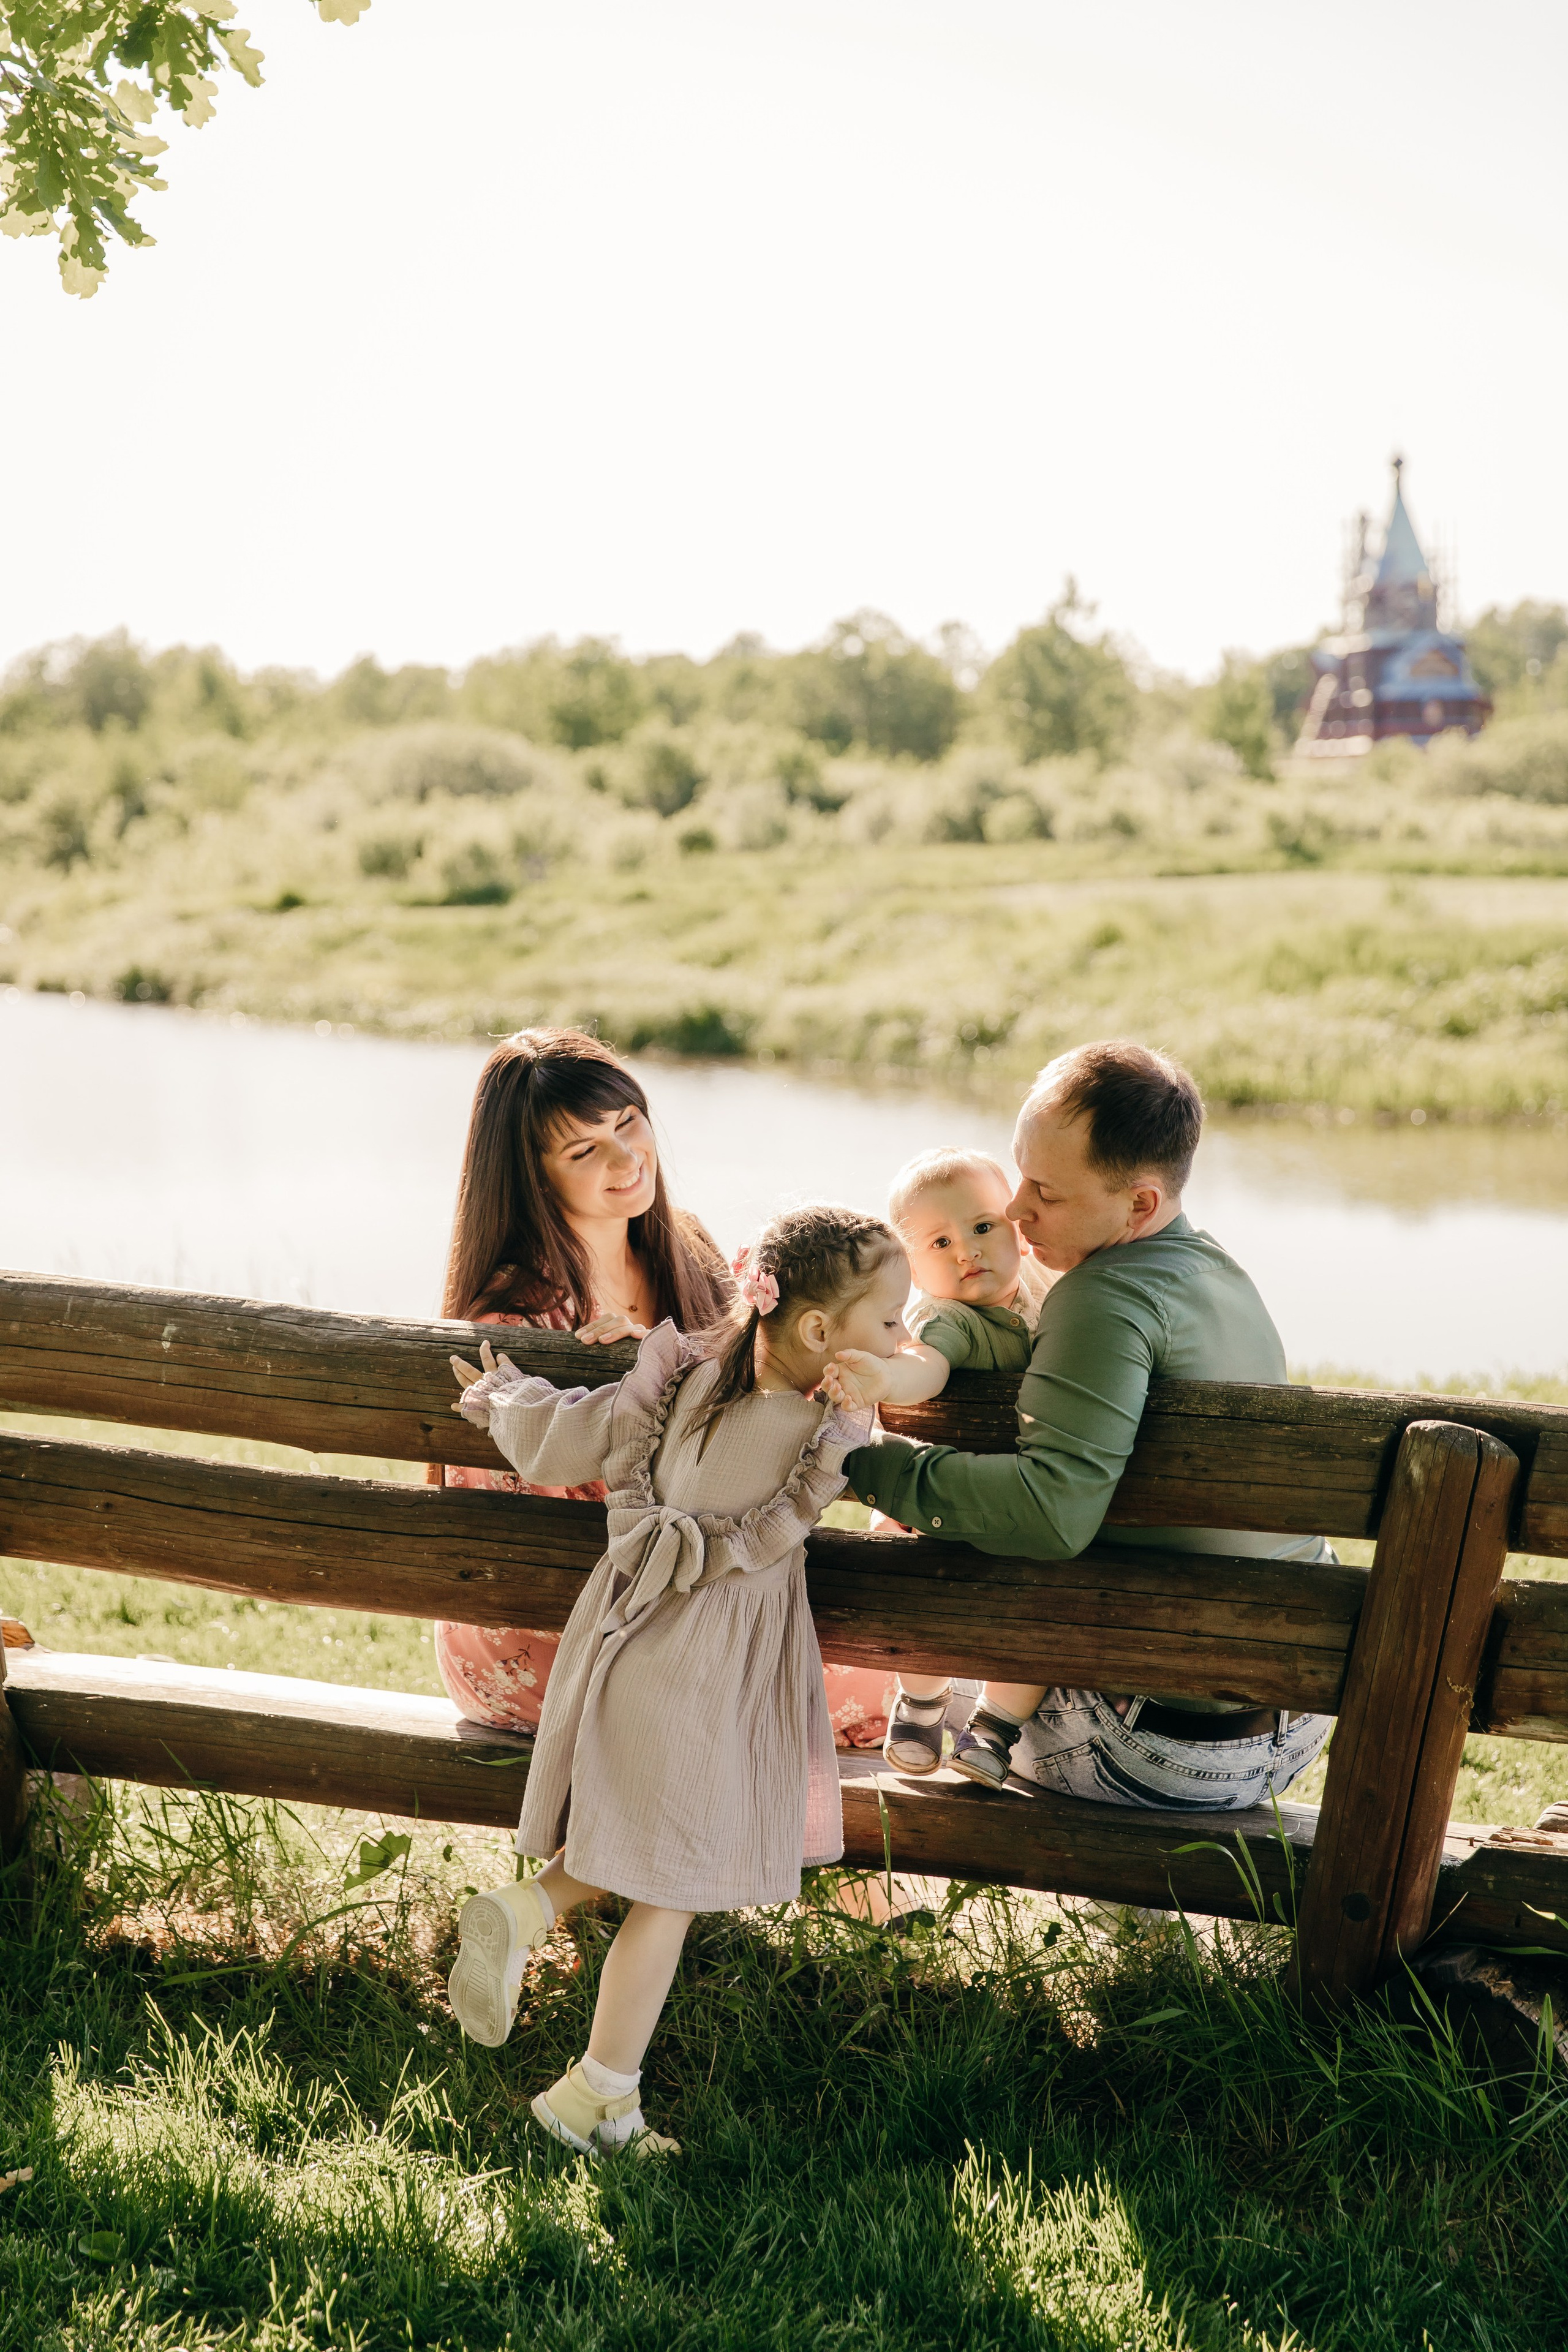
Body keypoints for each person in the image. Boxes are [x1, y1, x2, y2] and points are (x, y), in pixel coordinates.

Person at [443, 1204, 907, 2158]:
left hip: (623, 1645)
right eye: (892, 1323)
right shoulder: (818, 1427)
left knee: (655, 1862)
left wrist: (506, 1399)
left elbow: (571, 1437)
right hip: (706, 1676)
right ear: (820, 1335)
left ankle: (557, 1989)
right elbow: (907, 1444)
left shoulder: (684, 1380)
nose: (901, 1342)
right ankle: (591, 2080)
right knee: (673, 1888)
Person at [830, 1041, 1333, 1812]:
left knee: (872, 1662)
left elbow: (1048, 1514)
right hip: (1290, 1720)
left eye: (1047, 1192)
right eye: (1020, 1175)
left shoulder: (1101, 1301)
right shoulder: (1217, 1269)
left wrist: (862, 1459)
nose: (1016, 1209)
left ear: (1138, 1204)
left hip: (1158, 1748)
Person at [431, 1027, 899, 1750]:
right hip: (565, 1635)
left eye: (627, 1124)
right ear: (531, 1174)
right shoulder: (518, 1324)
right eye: (584, 1150)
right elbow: (550, 1540)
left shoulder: (688, 1252)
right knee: (885, 1688)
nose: (626, 1157)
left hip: (683, 1593)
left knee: (896, 1652)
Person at [823, 1147, 1055, 1776]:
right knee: (912, 1579)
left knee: (1046, 1597)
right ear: (910, 1269)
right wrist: (887, 1381)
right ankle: (922, 1705)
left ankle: (993, 1727)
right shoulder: (948, 1320)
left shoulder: (1046, 1290)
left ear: (1017, 1225)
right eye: (939, 1242)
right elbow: (929, 1366)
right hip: (949, 1498)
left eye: (982, 1227)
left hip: (1013, 1501)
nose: (966, 1252)